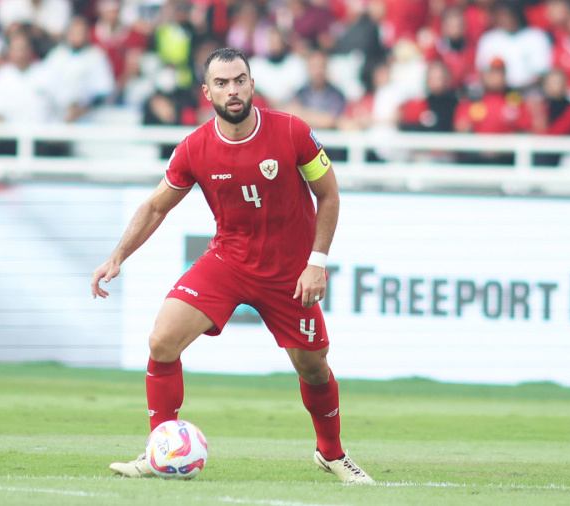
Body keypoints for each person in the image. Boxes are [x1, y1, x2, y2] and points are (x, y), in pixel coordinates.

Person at [91, 47, 374, 485]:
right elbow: (154, 207)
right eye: (222, 83)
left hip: (289, 271)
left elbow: (330, 195)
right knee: (163, 340)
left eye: (239, 80)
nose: (232, 90)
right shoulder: (194, 148)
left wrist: (316, 263)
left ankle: (332, 453)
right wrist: (117, 256)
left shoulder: (293, 131)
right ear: (207, 92)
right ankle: (161, 449)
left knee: (314, 367)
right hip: (229, 260)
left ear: (252, 84)